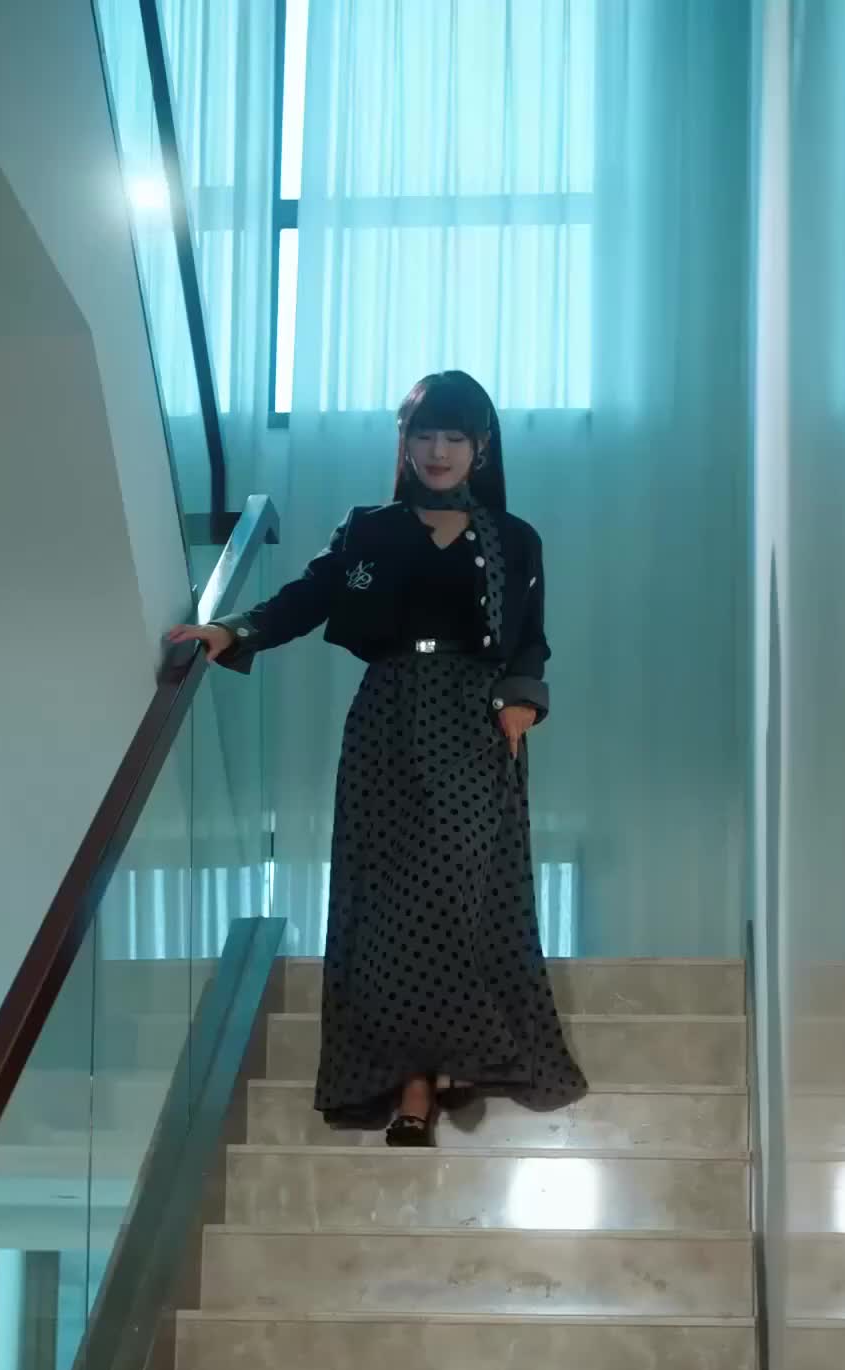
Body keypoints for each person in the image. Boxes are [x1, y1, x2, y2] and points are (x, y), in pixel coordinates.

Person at [167, 369, 586, 1145]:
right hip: (388, 715)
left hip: (475, 719)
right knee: (390, 901)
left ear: (481, 447)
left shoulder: (514, 538)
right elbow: (309, 595)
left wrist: (522, 700)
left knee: (461, 883)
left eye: (454, 436)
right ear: (406, 442)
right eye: (425, 434)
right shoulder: (369, 529)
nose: (438, 450)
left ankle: (458, 1053)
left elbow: (530, 638)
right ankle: (416, 1084)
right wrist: (233, 630)